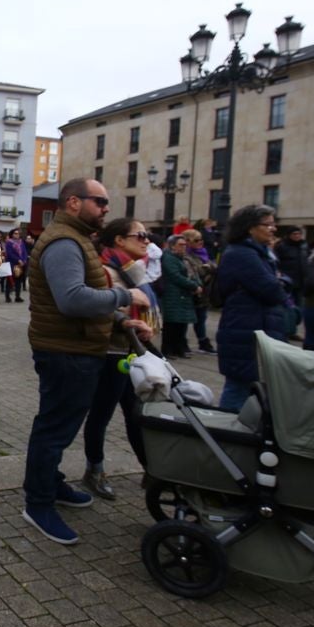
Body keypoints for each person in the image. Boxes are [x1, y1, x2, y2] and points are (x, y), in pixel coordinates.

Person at [21, 178, 150, 545]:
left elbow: (84, 299)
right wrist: (125, 296)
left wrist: (124, 322)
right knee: (54, 428)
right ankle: (38, 503)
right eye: (100, 201)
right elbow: (73, 300)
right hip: (65, 352)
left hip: (76, 349)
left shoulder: (76, 239)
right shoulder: (64, 242)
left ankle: (51, 482)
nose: (107, 208)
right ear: (74, 202)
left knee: (58, 425)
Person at [79, 217, 156, 500]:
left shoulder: (136, 271)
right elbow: (98, 307)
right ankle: (94, 471)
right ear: (119, 240)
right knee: (102, 415)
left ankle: (153, 468)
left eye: (147, 235)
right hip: (110, 353)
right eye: (141, 235)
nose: (147, 240)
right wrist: (126, 322)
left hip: (132, 351)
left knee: (137, 414)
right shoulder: (106, 271)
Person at [213, 205, 289, 412]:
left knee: (251, 387)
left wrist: (280, 283)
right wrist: (281, 283)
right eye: (268, 224)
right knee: (239, 388)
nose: (273, 229)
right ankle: (225, 434)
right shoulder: (242, 254)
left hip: (255, 327)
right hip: (246, 330)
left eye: (274, 224)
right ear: (250, 228)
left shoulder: (260, 253)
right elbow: (272, 290)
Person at [158, 235, 201, 359]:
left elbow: (192, 273)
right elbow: (175, 276)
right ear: (172, 246)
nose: (184, 247)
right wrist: (193, 286)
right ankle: (167, 350)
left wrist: (197, 284)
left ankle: (179, 349)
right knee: (171, 325)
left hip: (183, 295)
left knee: (181, 325)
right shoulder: (169, 259)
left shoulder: (182, 258)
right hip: (173, 294)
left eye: (185, 245)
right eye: (180, 245)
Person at [181, 229, 216, 354]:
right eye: (196, 240)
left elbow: (214, 267)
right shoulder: (186, 255)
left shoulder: (203, 253)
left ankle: (203, 342)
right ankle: (183, 342)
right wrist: (208, 268)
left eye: (201, 239)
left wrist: (210, 267)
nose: (200, 242)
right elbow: (197, 272)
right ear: (188, 242)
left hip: (204, 292)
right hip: (192, 292)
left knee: (201, 318)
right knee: (186, 319)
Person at [3, 228, 28, 303]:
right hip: (12, 264)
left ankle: (17, 296)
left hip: (21, 265)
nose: (17, 235)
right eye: (15, 233)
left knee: (19, 281)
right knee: (9, 281)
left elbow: (24, 252)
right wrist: (18, 260)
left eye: (18, 233)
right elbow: (10, 254)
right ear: (12, 234)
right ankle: (7, 297)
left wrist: (24, 260)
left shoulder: (21, 242)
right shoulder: (9, 242)